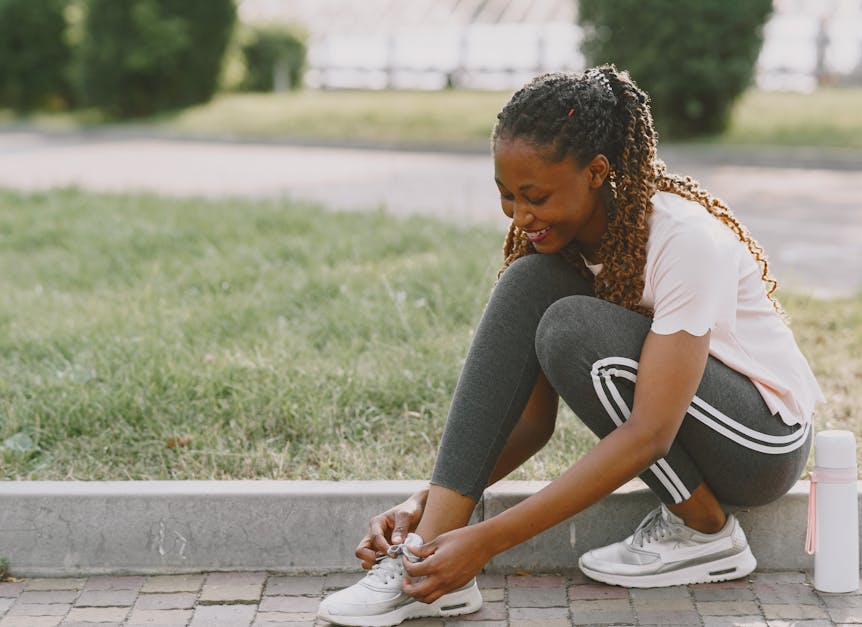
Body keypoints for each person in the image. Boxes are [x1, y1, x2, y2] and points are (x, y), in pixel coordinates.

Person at [317, 64, 824, 626]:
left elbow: (650, 433)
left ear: (596, 171)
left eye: (535, 196)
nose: (520, 215)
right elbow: (531, 427)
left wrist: (488, 542)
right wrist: (426, 506)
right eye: (507, 195)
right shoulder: (559, 247)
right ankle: (426, 565)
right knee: (528, 282)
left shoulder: (683, 240)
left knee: (571, 328)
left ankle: (705, 532)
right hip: (688, 427)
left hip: (761, 441)